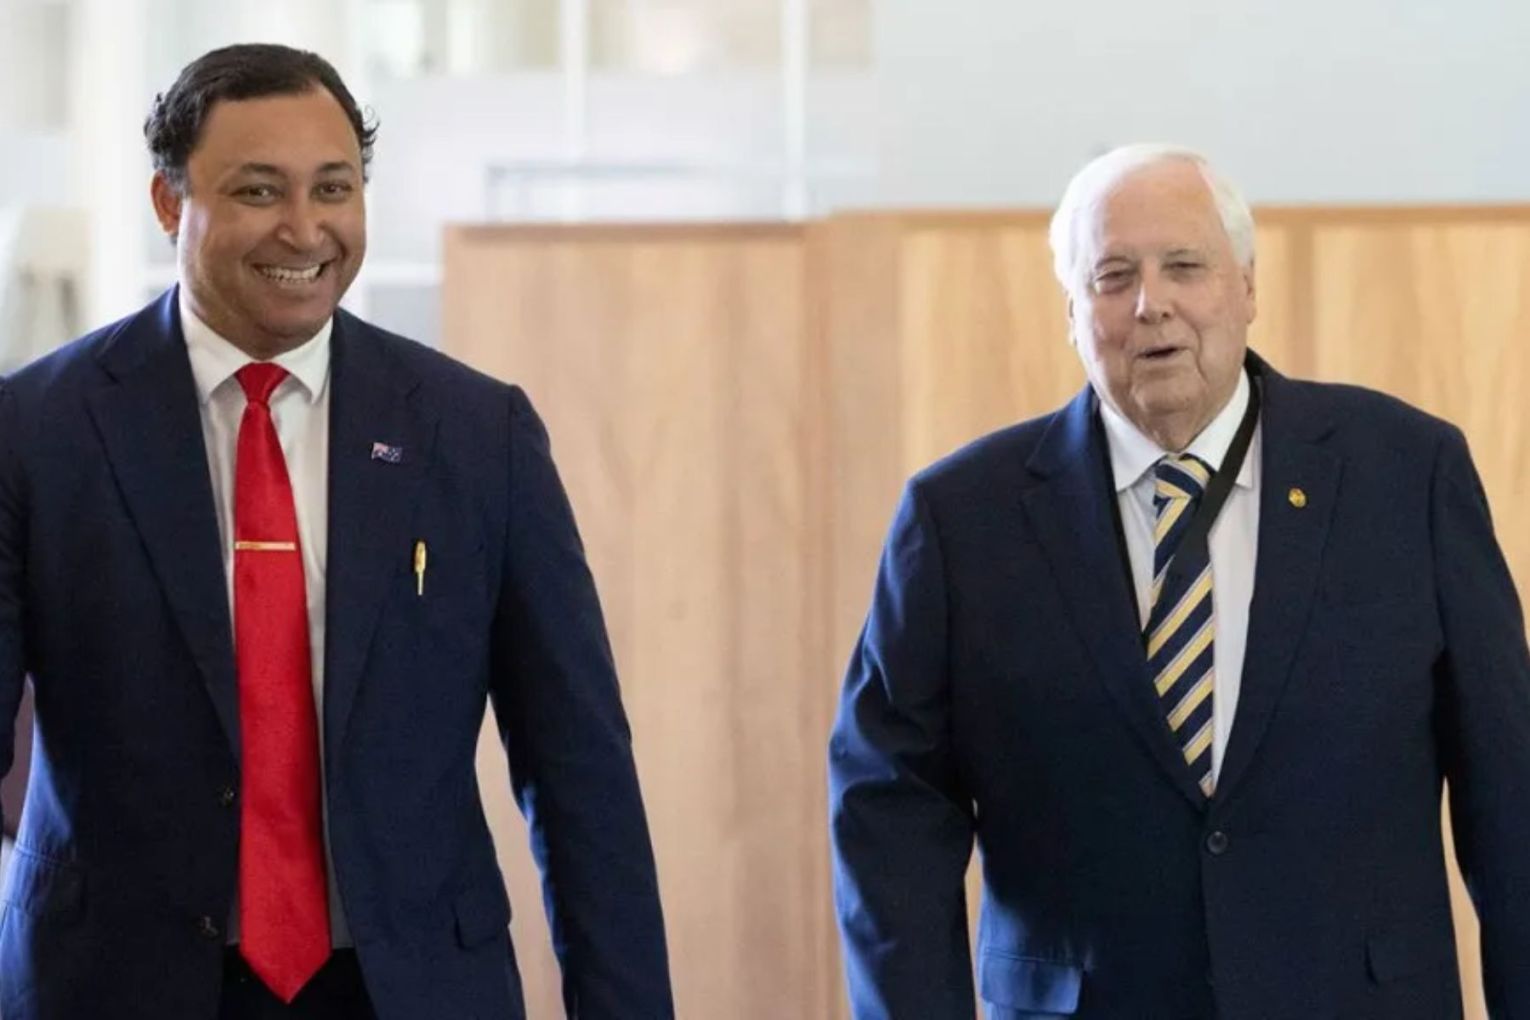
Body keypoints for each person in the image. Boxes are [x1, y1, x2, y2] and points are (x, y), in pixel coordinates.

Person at [0, 43, 672, 1020]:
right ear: (167, 202)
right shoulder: (36, 432)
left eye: (335, 188)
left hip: (410, 988)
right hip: (110, 985)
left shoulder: (479, 437)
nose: (305, 228)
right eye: (259, 190)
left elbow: (582, 776)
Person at [828, 143, 1530, 1018]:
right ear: (1073, 314)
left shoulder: (1408, 475)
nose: (1150, 305)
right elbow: (887, 806)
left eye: (1184, 267)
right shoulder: (960, 519)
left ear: (1246, 287)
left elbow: (1510, 793)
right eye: (1112, 276)